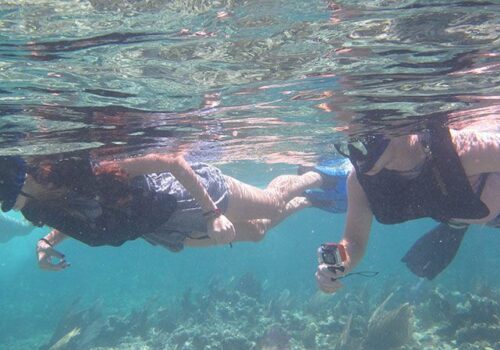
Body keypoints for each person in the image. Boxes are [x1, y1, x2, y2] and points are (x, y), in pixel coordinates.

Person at [0, 152, 334, 271]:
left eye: (4, 200)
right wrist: (47, 242)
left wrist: (212, 213)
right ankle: (308, 201)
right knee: (259, 233)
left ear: (23, 181)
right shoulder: (40, 204)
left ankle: (318, 175)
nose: (7, 208)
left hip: (192, 198)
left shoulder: (85, 167)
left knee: (272, 203)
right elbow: (91, 216)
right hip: (161, 228)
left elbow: (171, 161)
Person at [310, 122, 499, 293]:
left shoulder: (460, 149)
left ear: (396, 128)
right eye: (346, 147)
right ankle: (458, 224)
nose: (357, 156)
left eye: (363, 142)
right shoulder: (359, 181)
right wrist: (340, 264)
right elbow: (353, 241)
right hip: (458, 212)